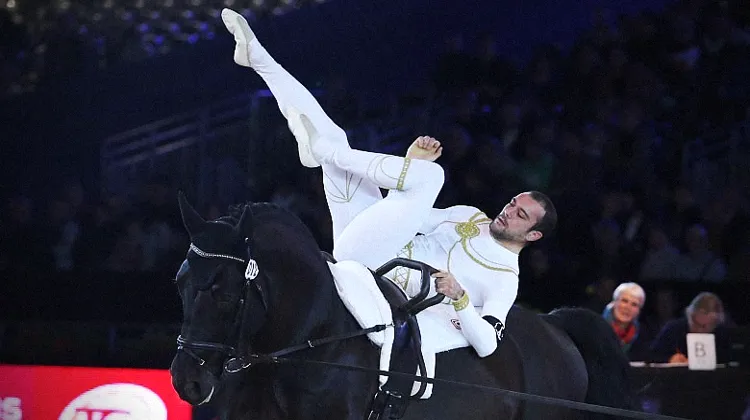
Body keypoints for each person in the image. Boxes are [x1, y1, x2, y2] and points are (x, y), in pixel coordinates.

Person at [220, 8, 557, 358]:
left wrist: (460, 299)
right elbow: (397, 215)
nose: (509, 211)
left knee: (431, 175)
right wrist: (409, 169)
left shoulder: (505, 277)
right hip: (367, 243)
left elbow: (488, 344)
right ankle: (258, 58)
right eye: (513, 203)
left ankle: (325, 153)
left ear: (533, 235)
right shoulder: (470, 216)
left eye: (520, 215)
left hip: (380, 275)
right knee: (335, 136)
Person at [649, 292, 731, 363]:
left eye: (705, 327)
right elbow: (651, 356)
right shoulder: (674, 328)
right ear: (690, 316)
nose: (699, 330)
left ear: (716, 323)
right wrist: (670, 359)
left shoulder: (723, 334)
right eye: (696, 324)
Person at [602, 282, 649, 361]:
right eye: (624, 301)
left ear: (639, 311)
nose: (627, 308)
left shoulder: (643, 337)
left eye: (634, 304)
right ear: (614, 302)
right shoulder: (596, 327)